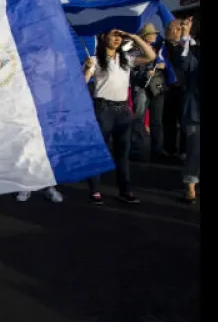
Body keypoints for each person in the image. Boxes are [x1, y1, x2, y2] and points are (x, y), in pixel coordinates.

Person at [83, 28, 156, 205]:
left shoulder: (127, 59)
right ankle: (95, 189)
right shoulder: (95, 59)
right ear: (103, 36)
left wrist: (133, 37)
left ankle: (126, 190)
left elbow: (150, 56)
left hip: (123, 110)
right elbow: (82, 83)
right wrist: (86, 69)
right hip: (103, 108)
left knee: (123, 153)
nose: (117, 39)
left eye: (119, 36)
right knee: (100, 151)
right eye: (113, 35)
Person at [164, 19, 200, 204]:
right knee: (194, 150)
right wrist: (185, 35)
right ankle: (190, 187)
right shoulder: (194, 55)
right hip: (195, 112)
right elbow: (185, 63)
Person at [130, 23, 169, 159]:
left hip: (157, 88)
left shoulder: (159, 50)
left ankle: (157, 149)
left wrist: (161, 65)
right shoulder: (134, 51)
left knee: (157, 120)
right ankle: (136, 150)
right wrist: (146, 71)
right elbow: (132, 72)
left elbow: (165, 64)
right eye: (152, 34)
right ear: (146, 37)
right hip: (141, 88)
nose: (155, 35)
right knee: (139, 119)